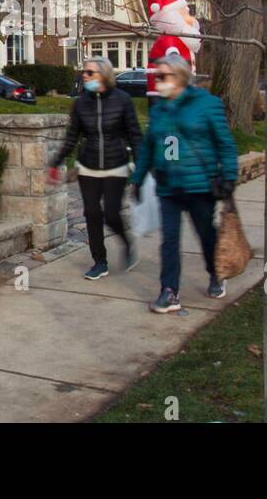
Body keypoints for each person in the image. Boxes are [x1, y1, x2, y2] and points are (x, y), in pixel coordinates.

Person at [131, 53, 238, 313]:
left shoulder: (207, 104)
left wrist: (229, 177)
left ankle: (216, 273)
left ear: (180, 77)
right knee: (169, 241)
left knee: (206, 235)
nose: (157, 81)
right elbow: (148, 147)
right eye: (157, 76)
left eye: (162, 76)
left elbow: (225, 143)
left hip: (200, 186)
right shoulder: (158, 109)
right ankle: (169, 291)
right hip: (168, 186)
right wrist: (138, 178)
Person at [48, 57, 143, 279]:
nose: (85, 76)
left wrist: (141, 167)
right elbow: (72, 137)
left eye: (90, 73)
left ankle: (127, 243)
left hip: (115, 165)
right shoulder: (80, 103)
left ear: (104, 75)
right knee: (91, 213)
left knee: (111, 214)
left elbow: (135, 135)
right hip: (88, 166)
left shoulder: (123, 100)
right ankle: (100, 261)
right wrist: (55, 163)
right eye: (84, 72)